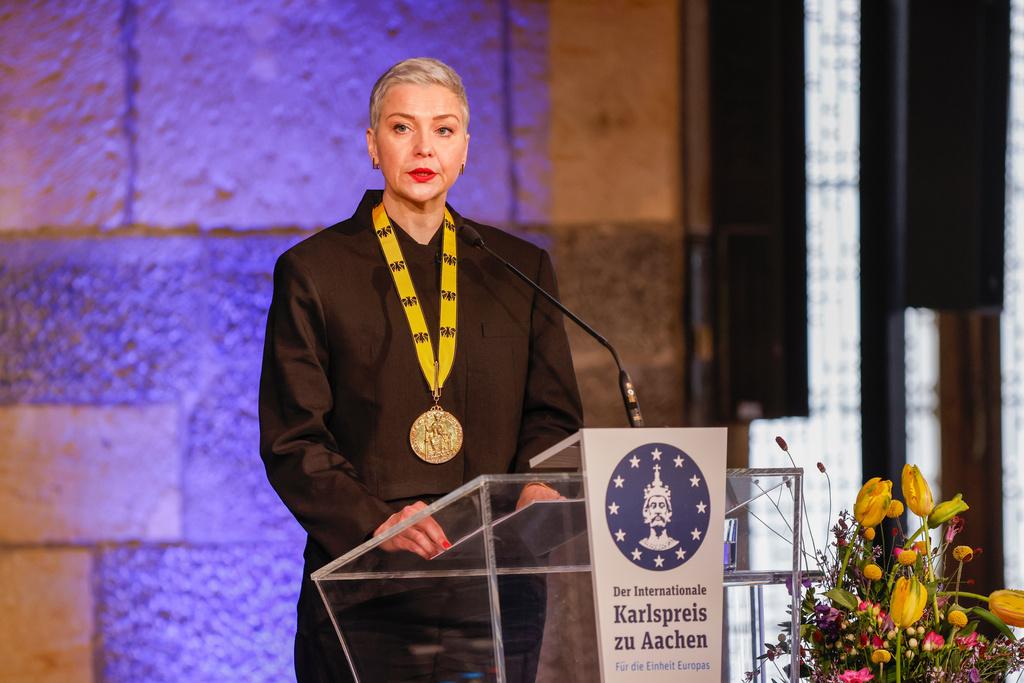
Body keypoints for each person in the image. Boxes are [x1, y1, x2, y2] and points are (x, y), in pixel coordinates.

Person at [259, 57, 583, 682]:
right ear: (372, 145)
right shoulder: (314, 271)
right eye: (402, 127)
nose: (423, 147)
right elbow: (293, 438)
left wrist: (537, 484)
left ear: (465, 150)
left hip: (496, 588)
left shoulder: (519, 270)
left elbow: (552, 414)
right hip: (365, 586)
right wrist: (374, 522)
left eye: (444, 129)